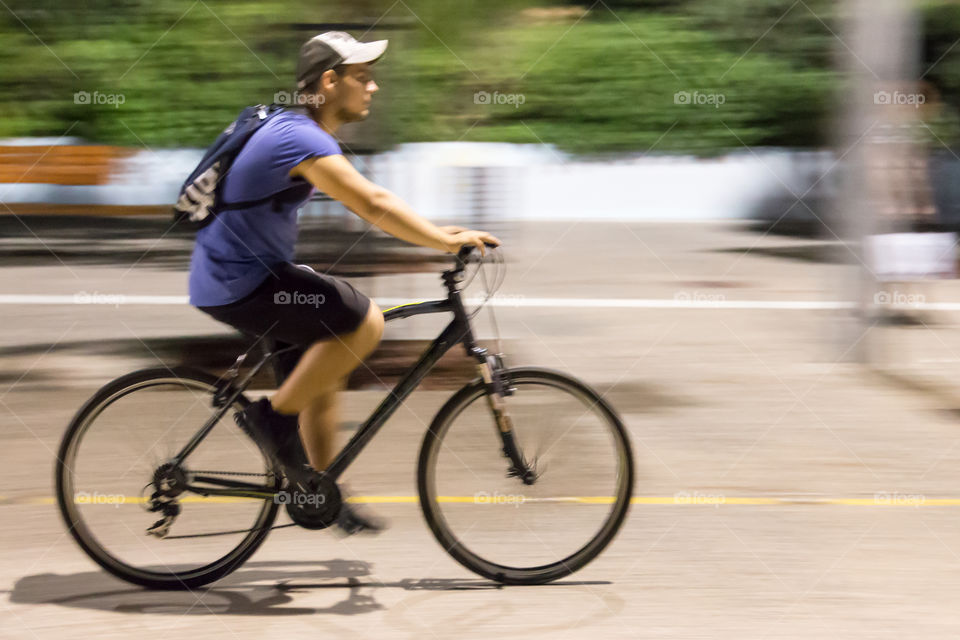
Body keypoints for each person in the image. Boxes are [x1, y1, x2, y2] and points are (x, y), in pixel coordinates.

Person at [187, 31, 500, 534]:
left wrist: (439, 233)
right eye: (363, 76)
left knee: (327, 358)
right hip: (240, 282)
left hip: (237, 276)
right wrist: (443, 244)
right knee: (364, 323)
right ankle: (270, 419)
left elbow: (376, 199)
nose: (373, 87)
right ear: (329, 82)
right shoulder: (300, 137)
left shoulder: (292, 126)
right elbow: (371, 203)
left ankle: (317, 487)